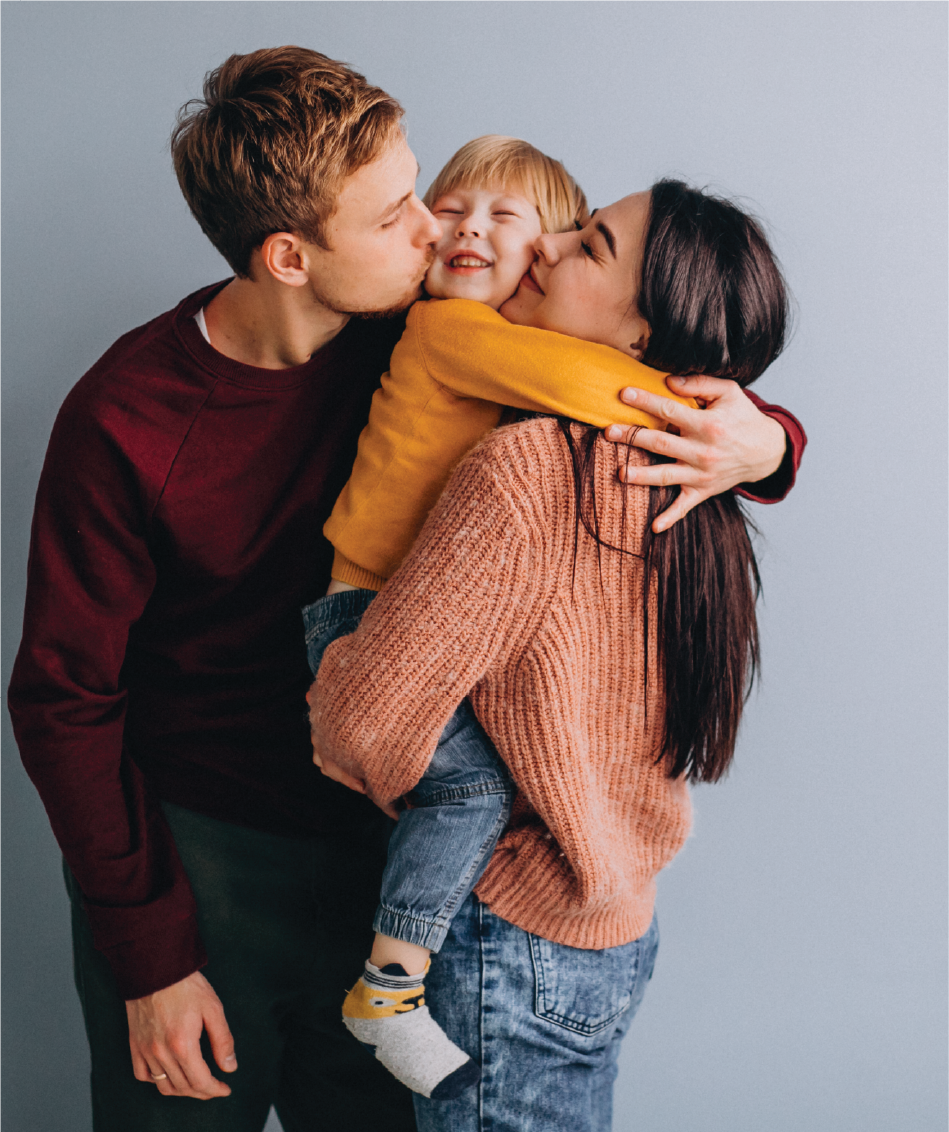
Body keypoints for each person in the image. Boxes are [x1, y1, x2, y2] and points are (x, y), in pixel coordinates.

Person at [7, 45, 803, 1132]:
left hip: (394, 865)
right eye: (394, 217)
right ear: (290, 257)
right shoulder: (125, 418)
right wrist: (150, 957)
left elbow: (644, 344)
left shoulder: (430, 327)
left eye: (419, 191)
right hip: (200, 870)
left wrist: (765, 441)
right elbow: (63, 700)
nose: (435, 231)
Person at [308, 178, 793, 1132]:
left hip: (508, 937)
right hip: (612, 928)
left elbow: (361, 725)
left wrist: (337, 699)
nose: (547, 245)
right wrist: (768, 442)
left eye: (590, 245)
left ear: (642, 335)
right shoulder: (700, 479)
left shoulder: (527, 471)